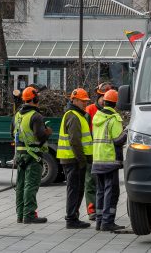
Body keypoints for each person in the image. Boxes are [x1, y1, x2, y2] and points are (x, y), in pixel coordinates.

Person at [13, 86, 52, 225]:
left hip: (20, 154)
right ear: (35, 99)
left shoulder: (18, 115)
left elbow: (11, 133)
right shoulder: (36, 116)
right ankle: (29, 215)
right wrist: (47, 132)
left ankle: (20, 214)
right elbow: (40, 136)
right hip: (33, 154)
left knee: (21, 184)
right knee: (31, 185)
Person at [57, 88, 93, 229]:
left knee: (77, 189)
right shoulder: (73, 116)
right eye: (83, 101)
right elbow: (75, 141)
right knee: (74, 189)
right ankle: (71, 218)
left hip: (73, 159)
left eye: (86, 101)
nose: (85, 104)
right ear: (75, 100)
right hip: (73, 160)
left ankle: (73, 217)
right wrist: (82, 160)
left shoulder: (77, 115)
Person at [91, 89, 127, 232]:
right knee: (110, 192)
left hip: (98, 159)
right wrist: (126, 132)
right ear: (116, 103)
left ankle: (99, 221)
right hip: (110, 160)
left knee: (100, 191)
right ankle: (107, 222)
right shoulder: (114, 119)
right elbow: (117, 140)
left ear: (105, 102)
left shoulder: (97, 117)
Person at [83, 82, 115, 220]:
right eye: (102, 96)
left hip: (103, 153)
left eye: (106, 97)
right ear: (98, 96)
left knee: (102, 185)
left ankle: (101, 210)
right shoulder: (90, 110)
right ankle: (92, 210)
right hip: (91, 152)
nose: (104, 100)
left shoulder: (110, 111)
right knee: (90, 182)